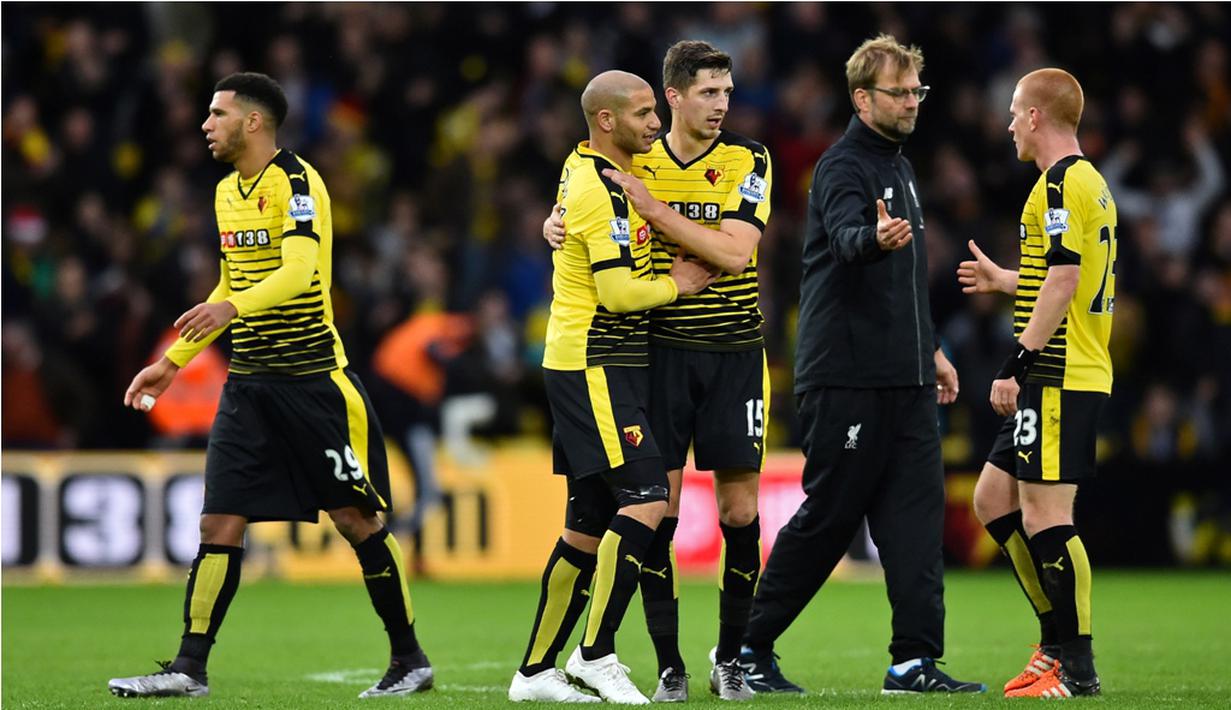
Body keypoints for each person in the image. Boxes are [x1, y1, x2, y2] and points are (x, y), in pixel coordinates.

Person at [107, 73, 432, 699]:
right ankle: (187, 669)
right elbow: (232, 279)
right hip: (249, 385)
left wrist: (229, 312)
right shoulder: (228, 190)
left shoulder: (299, 182)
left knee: (356, 520)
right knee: (218, 525)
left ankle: (409, 658)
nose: (206, 124)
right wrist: (174, 361)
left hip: (313, 382)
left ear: (253, 122)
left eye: (217, 113)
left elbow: (301, 269)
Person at [737, 34, 984, 695]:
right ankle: (746, 649)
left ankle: (912, 661)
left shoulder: (899, 168)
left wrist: (929, 349)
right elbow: (849, 242)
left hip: (902, 378)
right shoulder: (841, 167)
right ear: (860, 97)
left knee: (914, 522)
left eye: (915, 92)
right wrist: (870, 239)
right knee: (830, 517)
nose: (910, 103)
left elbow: (902, 284)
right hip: (844, 376)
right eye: (897, 92)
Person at [547, 40, 771, 702]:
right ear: (671, 98)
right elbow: (581, 208)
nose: (721, 104)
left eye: (726, 92)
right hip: (658, 354)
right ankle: (668, 663)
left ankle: (730, 657)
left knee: (738, 511)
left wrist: (655, 211)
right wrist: (553, 223)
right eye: (707, 92)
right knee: (657, 510)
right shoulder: (637, 158)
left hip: (734, 353)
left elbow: (733, 255)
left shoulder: (746, 159)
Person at [508, 70, 716, 705]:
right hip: (594, 360)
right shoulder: (600, 189)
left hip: (598, 361)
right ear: (606, 121)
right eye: (644, 112)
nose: (656, 122)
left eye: (656, 110)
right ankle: (595, 653)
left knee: (587, 524)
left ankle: (535, 672)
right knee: (649, 496)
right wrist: (679, 284)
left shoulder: (588, 170)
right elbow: (619, 293)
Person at [957, 67, 1115, 698]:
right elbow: (1062, 276)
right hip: (1068, 363)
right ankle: (1054, 640)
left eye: (1015, 112)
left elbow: (1065, 281)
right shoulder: (1089, 182)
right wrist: (1005, 282)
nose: (1009, 124)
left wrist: (1014, 365)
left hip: (1057, 370)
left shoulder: (1055, 186)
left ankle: (1074, 665)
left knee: (1048, 513)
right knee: (992, 501)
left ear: (1036, 117)